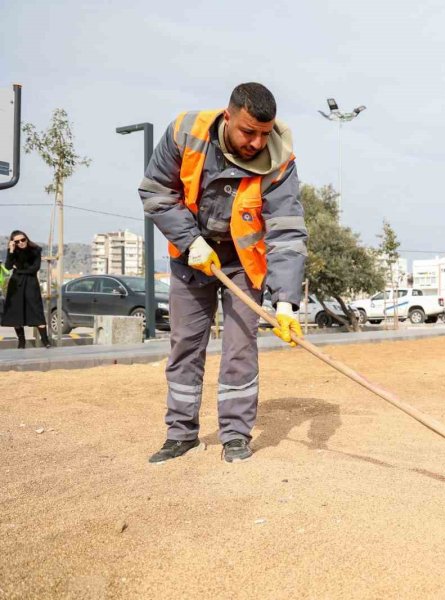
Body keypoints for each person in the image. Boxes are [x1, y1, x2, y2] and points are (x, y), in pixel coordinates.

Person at [138, 82, 307, 464]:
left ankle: (235, 435)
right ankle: (180, 434)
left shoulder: (279, 158)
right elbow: (155, 191)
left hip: (243, 264)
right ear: (228, 116)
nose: (257, 143)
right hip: (191, 256)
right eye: (248, 131)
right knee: (185, 345)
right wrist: (190, 241)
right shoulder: (186, 131)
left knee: (240, 350)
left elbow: (287, 230)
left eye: (265, 134)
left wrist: (285, 303)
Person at [2, 230, 51, 349]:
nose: (21, 243)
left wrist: (18, 270)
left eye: (23, 240)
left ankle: (46, 341)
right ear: (13, 243)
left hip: (30, 284)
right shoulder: (12, 251)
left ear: (26, 239)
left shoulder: (36, 250)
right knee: (16, 314)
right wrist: (11, 250)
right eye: (17, 241)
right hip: (16, 285)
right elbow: (8, 267)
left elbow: (35, 269)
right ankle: (21, 342)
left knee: (37, 311)